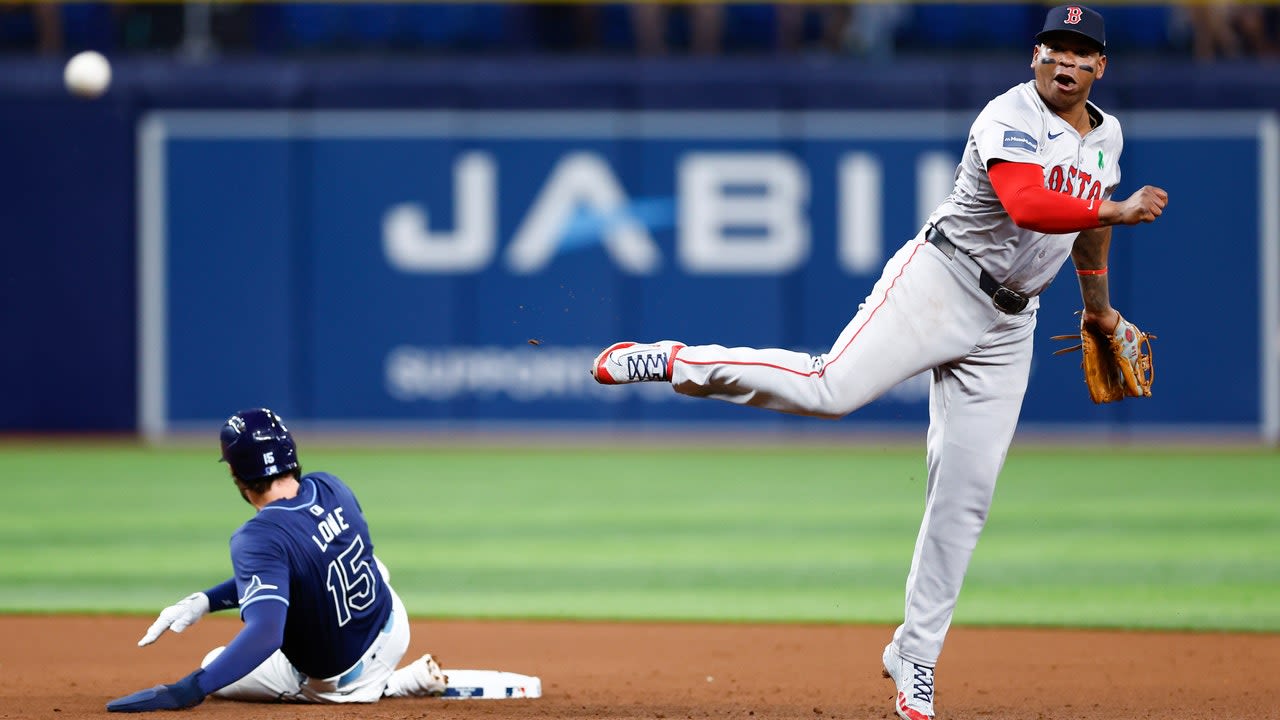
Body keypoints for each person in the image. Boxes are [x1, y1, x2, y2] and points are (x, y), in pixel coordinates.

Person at [589, 6, 1167, 720]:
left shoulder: (1107, 133)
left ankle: (916, 657)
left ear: (1100, 67)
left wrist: (1099, 308)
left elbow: (1080, 227)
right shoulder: (1005, 116)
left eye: (1082, 52)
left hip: (1013, 323)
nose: (1066, 61)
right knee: (829, 388)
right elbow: (1026, 204)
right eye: (1055, 47)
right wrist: (1113, 209)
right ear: (1035, 55)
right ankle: (676, 362)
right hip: (942, 281)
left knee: (967, 495)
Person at [106, 408, 447, 712]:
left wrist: (188, 689)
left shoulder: (257, 537)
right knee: (345, 557)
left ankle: (391, 684)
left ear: (237, 476)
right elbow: (294, 566)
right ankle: (383, 675)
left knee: (215, 662)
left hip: (344, 680)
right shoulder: (330, 485)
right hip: (393, 625)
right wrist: (206, 601)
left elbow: (267, 635)